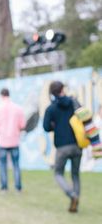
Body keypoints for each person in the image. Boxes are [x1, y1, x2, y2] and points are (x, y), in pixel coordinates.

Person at [43, 81, 82, 212]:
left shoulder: (51, 108)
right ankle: (75, 201)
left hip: (62, 147)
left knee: (58, 173)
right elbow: (83, 116)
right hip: (77, 145)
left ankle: (72, 195)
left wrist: (55, 125)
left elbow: (46, 127)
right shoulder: (73, 102)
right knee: (75, 175)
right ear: (62, 89)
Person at [0, 87, 26, 192]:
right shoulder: (18, 108)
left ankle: (4, 187)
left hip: (2, 141)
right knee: (16, 165)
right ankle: (18, 187)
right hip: (14, 140)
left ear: (1, 96)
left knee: (3, 165)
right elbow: (22, 125)